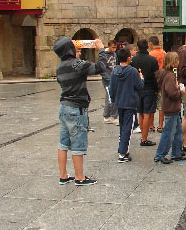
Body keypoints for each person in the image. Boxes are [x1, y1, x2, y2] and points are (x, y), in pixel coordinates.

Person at [53, 36, 106, 186]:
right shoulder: (76, 64)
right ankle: (80, 177)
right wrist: (100, 49)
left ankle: (63, 176)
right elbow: (100, 67)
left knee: (63, 143)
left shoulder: (60, 66)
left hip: (63, 107)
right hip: (76, 108)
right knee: (77, 143)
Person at [110, 48, 144, 162]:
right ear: (129, 58)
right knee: (128, 128)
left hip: (120, 103)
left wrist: (114, 99)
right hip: (130, 103)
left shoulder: (115, 71)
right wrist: (142, 79)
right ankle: (122, 152)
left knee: (122, 126)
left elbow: (112, 88)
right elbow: (139, 86)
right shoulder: (133, 71)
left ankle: (123, 149)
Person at [154, 52, 186, 164]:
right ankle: (160, 155)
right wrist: (180, 92)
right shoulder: (169, 75)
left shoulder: (165, 73)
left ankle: (176, 153)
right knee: (168, 132)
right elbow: (171, 92)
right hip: (171, 107)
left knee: (178, 131)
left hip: (172, 107)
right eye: (177, 60)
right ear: (173, 62)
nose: (178, 62)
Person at [131, 38, 159, 146]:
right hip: (149, 88)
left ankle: (143, 136)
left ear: (137, 47)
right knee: (147, 113)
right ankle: (144, 138)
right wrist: (156, 89)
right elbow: (156, 77)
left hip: (137, 89)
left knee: (140, 112)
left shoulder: (133, 60)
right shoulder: (152, 60)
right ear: (148, 46)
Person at [149, 36, 166, 133]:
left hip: (153, 82)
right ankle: (160, 125)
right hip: (163, 81)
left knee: (151, 104)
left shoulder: (150, 54)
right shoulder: (164, 53)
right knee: (161, 105)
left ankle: (151, 125)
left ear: (151, 44)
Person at [101, 40, 119, 125]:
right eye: (113, 47)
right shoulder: (104, 55)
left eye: (115, 47)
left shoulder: (115, 54)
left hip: (114, 77)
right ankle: (114, 116)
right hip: (107, 80)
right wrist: (107, 77)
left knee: (109, 97)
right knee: (111, 98)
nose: (114, 49)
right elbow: (102, 68)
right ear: (109, 46)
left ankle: (106, 115)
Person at [125, 44, 141, 133]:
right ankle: (134, 125)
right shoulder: (131, 64)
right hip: (131, 90)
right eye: (134, 50)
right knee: (132, 109)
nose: (135, 52)